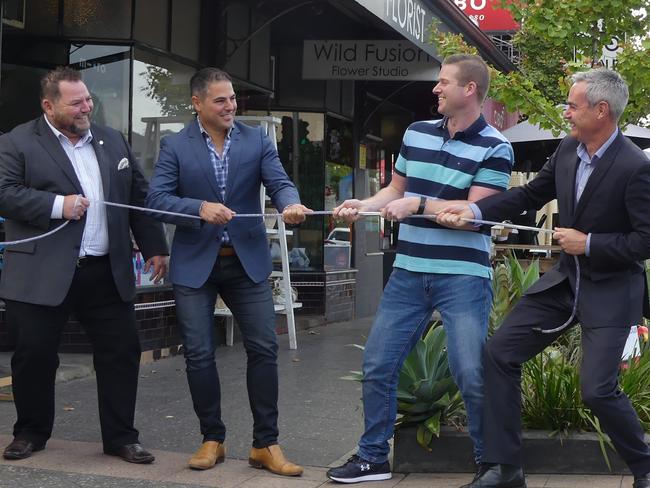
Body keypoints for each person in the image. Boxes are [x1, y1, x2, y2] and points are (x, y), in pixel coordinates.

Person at [437, 69, 650, 488]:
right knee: (499, 353)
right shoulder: (569, 150)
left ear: (601, 111)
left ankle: (645, 467)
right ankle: (506, 469)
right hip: (564, 285)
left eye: (573, 105)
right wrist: (474, 212)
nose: (566, 113)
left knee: (597, 390)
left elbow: (644, 241)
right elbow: (530, 194)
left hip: (610, 290)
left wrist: (589, 243)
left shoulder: (635, 166)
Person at [326, 54, 514, 484]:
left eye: (444, 82)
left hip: (463, 277)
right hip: (409, 270)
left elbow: (475, 211)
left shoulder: (496, 147)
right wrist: (364, 205)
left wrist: (419, 205)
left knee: (471, 373)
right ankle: (373, 458)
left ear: (470, 90)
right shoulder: (416, 133)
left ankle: (490, 466)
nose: (435, 89)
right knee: (378, 365)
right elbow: (395, 189)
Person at [146, 67, 310, 476]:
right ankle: (212, 439)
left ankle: (265, 445)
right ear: (197, 103)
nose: (231, 106)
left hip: (247, 261)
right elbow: (157, 199)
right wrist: (197, 209)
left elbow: (280, 183)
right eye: (221, 100)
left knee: (264, 350)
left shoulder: (256, 140)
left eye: (233, 99)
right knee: (200, 355)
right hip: (195, 265)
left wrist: (290, 204)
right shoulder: (175, 145)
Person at [0, 67, 169, 463]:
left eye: (88, 99)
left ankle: (121, 438)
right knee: (34, 355)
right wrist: (59, 206)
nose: (86, 107)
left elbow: (137, 197)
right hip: (40, 271)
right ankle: (30, 432)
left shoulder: (112, 140)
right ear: (49, 105)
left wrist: (154, 246)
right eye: (76, 102)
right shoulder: (16, 141)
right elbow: (4, 193)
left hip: (105, 270)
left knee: (121, 352)